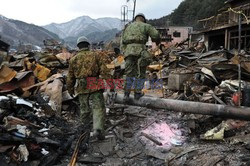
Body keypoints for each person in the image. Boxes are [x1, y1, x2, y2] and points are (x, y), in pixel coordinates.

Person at [66, 36, 111, 140]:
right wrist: (110, 84)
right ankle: (98, 128)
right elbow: (105, 71)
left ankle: (84, 130)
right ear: (88, 45)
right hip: (95, 83)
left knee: (84, 109)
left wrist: (70, 89)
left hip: (81, 85)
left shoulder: (73, 59)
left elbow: (70, 77)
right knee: (98, 107)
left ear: (78, 46)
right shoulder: (96, 56)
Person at [121, 13, 160, 102]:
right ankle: (137, 93)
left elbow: (122, 41)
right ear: (143, 19)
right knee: (141, 72)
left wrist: (124, 51)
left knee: (129, 73)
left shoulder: (128, 27)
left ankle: (126, 95)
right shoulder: (146, 26)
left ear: (135, 19)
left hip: (128, 51)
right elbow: (156, 35)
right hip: (140, 51)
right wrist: (157, 43)